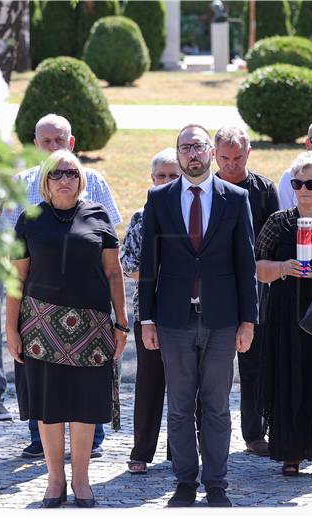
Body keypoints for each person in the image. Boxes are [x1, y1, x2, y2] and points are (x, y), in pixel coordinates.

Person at [138, 124, 258, 508]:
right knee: (179, 405)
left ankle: (216, 483)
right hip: (173, 320)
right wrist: (147, 319)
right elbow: (148, 265)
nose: (192, 154)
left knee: (217, 406)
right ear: (178, 155)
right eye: (185, 147)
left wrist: (248, 320)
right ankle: (185, 482)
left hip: (222, 320)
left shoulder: (235, 199)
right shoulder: (159, 200)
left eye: (198, 147)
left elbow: (246, 263)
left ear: (210, 152)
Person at [5, 149, 128, 508]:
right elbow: (17, 277)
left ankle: (82, 480)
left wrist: (121, 322)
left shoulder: (98, 215)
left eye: (71, 173)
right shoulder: (30, 219)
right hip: (40, 328)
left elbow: (113, 272)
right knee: (50, 406)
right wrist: (11, 329)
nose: (64, 180)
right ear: (45, 180)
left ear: (81, 179)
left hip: (91, 327)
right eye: (57, 174)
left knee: (85, 406)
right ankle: (55, 480)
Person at [256, 151, 312, 477]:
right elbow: (258, 267)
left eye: (311, 183)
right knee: (287, 375)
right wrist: (284, 267)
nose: (304, 189)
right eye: (298, 183)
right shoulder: (279, 222)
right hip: (285, 310)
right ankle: (289, 451)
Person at [213, 125, 279, 456]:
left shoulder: (265, 190)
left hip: (256, 289)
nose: (231, 165)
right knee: (212, 368)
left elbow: (276, 241)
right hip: (214, 289)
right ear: (214, 155)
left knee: (255, 364)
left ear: (249, 153)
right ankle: (207, 433)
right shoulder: (204, 189)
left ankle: (255, 432)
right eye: (224, 158)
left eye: (238, 157)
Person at [121, 148, 182, 474]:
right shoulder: (142, 218)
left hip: (186, 313)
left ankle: (180, 452)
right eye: (161, 176)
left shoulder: (192, 214)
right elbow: (128, 265)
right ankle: (141, 452)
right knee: (149, 383)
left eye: (174, 176)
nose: (167, 181)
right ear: (151, 179)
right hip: (148, 314)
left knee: (185, 385)